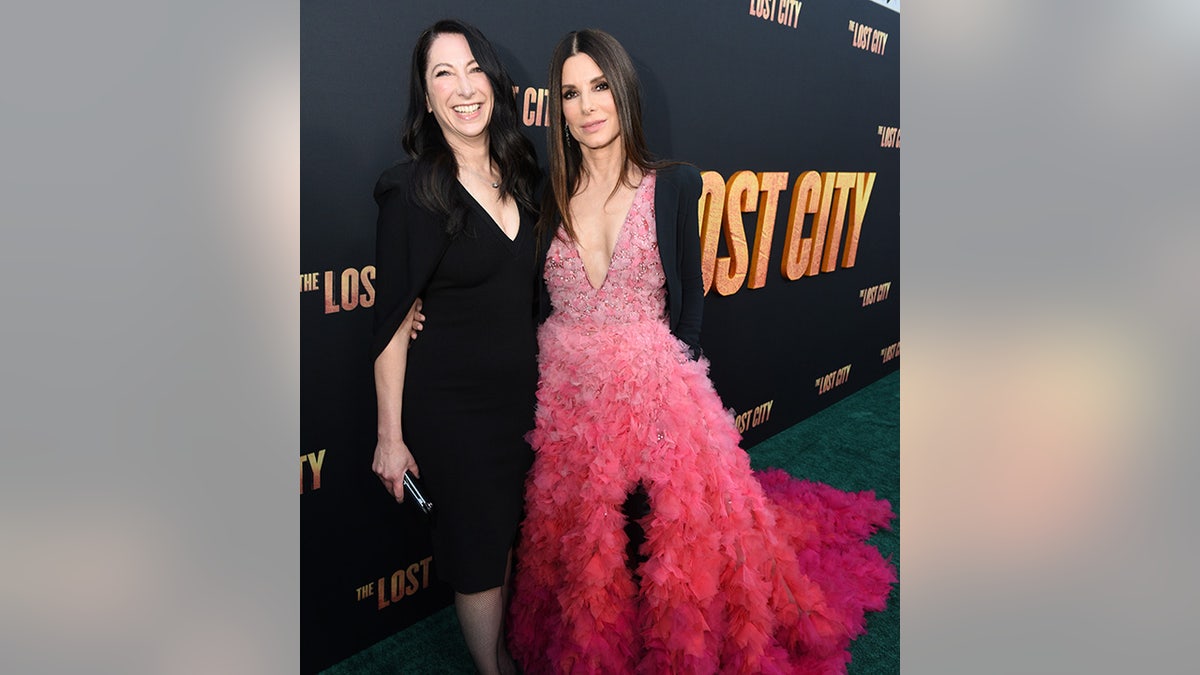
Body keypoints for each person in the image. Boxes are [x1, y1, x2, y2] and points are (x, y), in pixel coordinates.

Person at [504, 29, 897, 673]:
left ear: (623, 91)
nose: (586, 105)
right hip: (568, 393)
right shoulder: (545, 194)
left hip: (654, 380)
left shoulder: (676, 183)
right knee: (582, 547)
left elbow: (689, 301)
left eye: (600, 86)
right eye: (571, 93)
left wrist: (673, 388)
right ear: (559, 108)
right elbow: (526, 296)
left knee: (681, 551)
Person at [369, 19, 540, 675]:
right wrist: (390, 435)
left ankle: (500, 652)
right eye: (443, 73)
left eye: (472, 69)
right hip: (452, 411)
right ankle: (492, 668)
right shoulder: (410, 190)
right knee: (475, 554)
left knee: (500, 541)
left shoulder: (523, 174)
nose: (463, 88)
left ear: (493, 81)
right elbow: (390, 322)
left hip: (520, 403)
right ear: (427, 95)